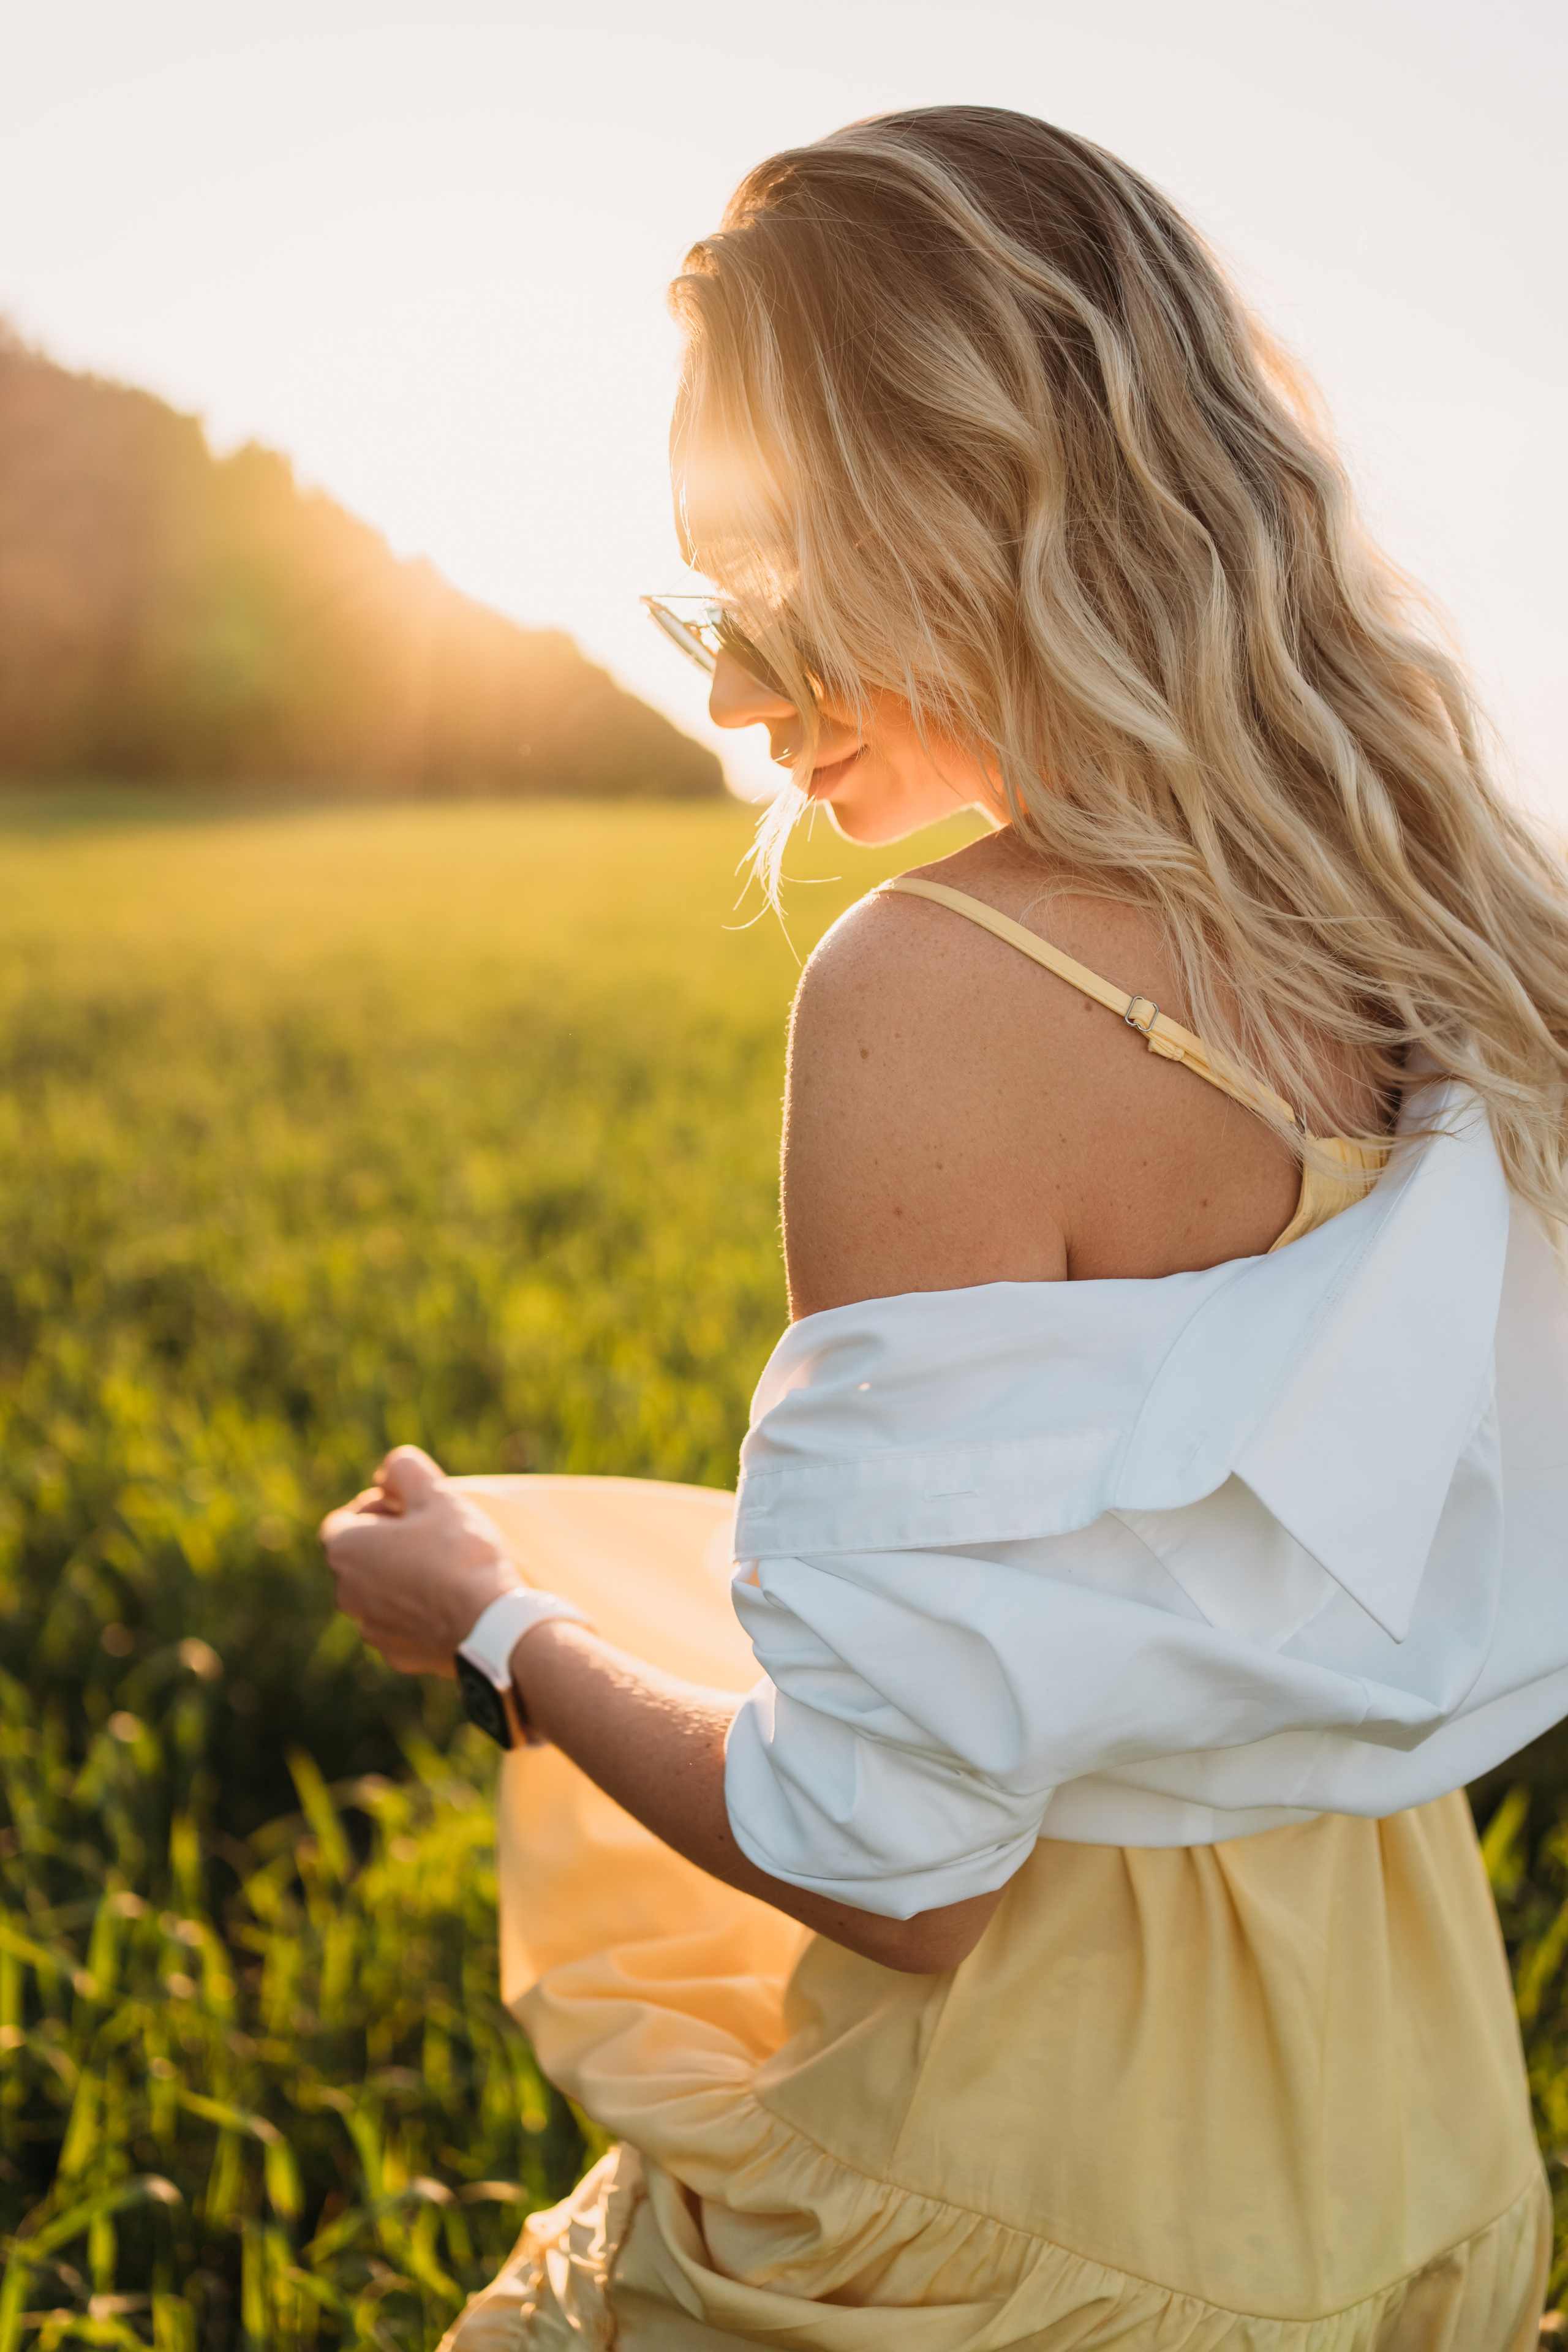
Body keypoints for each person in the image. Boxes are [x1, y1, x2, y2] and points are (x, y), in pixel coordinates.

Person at [321, 108, 1568, 2348]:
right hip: (1404, 2126)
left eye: (750, 587)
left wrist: (495, 1627)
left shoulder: (936, 993)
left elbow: (888, 1864)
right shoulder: (1456, 909)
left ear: (943, 522)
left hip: (1025, 2186)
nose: (722, 694)